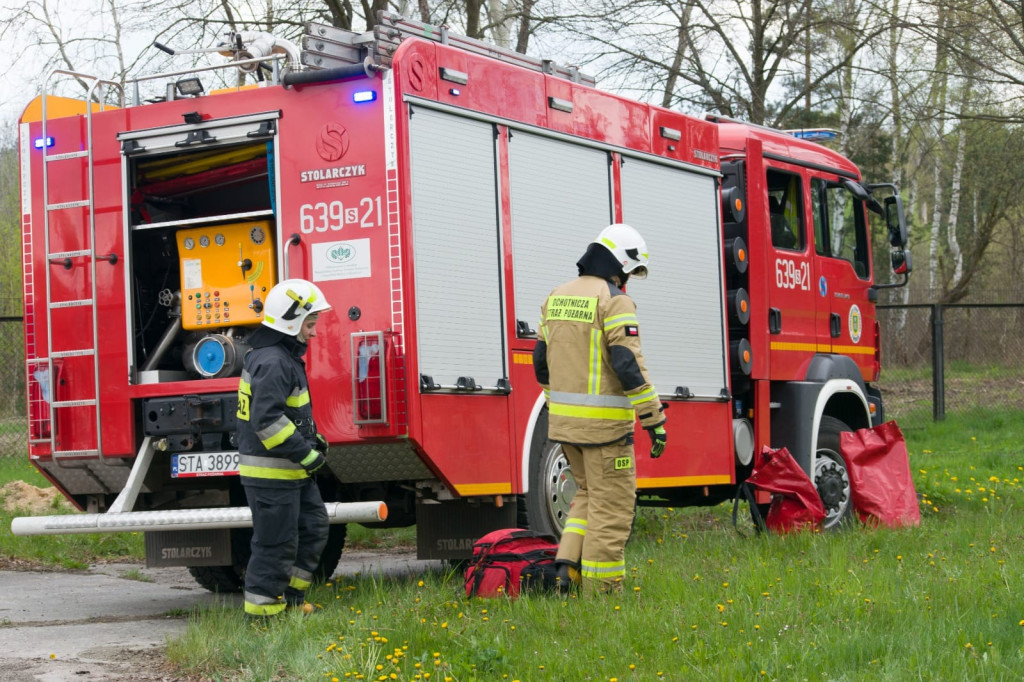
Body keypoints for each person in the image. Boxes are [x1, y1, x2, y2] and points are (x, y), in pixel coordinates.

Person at [532, 223, 668, 595]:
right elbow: (627, 365)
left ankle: (567, 574)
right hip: (606, 434)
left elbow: (541, 363)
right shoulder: (614, 301)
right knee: (612, 511)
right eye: (628, 273)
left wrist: (563, 403)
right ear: (618, 265)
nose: (627, 281)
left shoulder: (556, 296)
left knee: (587, 497)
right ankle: (603, 595)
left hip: (564, 429)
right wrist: (654, 419)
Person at [235, 278, 332, 617]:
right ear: (291, 321)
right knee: (275, 545)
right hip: (272, 473)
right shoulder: (274, 361)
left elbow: (291, 412)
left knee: (313, 527)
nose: (314, 332)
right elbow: (267, 421)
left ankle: (290, 601)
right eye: (310, 324)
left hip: (290, 471)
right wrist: (306, 455)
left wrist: (312, 441)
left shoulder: (281, 357)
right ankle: (263, 620)